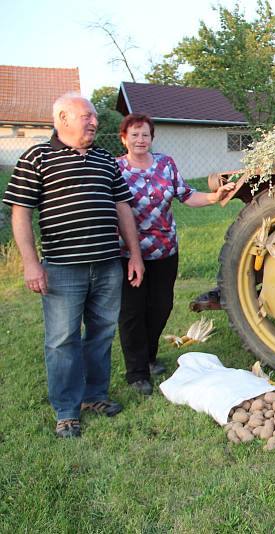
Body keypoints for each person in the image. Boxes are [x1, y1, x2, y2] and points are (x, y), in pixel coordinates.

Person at [3, 93, 145, 438]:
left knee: (101, 334)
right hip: (63, 269)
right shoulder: (37, 157)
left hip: (108, 264)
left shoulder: (105, 160)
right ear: (63, 118)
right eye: (88, 116)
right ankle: (66, 410)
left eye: (94, 117)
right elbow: (20, 213)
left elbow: (123, 208)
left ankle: (94, 396)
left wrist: (135, 254)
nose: (95, 122)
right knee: (62, 341)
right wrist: (31, 264)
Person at [116, 114, 235, 395]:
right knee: (133, 312)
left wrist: (213, 197)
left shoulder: (165, 164)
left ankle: (149, 356)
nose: (140, 140)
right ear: (124, 139)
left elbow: (185, 194)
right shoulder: (116, 168)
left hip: (165, 251)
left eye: (145, 135)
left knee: (161, 307)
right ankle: (137, 373)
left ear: (152, 138)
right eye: (134, 135)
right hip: (129, 253)